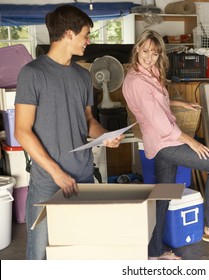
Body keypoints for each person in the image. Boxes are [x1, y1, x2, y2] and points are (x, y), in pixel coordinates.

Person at [14, 5, 124, 260]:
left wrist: (105, 136)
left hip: (83, 176)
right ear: (68, 33)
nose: (88, 41)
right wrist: (57, 173)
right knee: (38, 254)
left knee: (76, 250)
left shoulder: (83, 76)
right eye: (86, 34)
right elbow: (22, 131)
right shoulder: (32, 74)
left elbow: (87, 121)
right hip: (47, 182)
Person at [122, 30, 209, 260]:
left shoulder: (149, 73)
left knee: (163, 195)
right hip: (165, 142)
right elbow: (160, 123)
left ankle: (154, 252)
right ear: (137, 49)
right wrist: (191, 142)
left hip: (160, 144)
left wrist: (181, 102)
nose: (149, 57)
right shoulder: (136, 82)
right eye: (145, 51)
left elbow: (158, 102)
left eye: (155, 52)